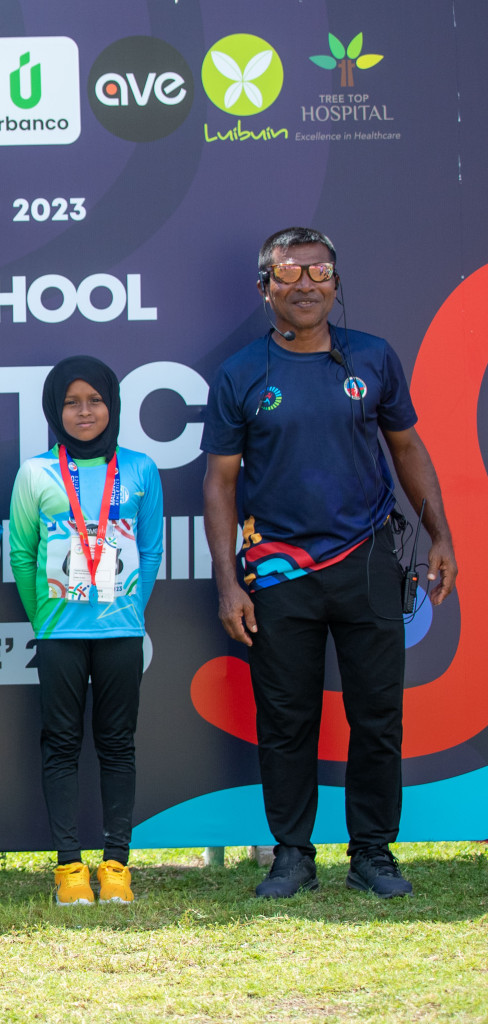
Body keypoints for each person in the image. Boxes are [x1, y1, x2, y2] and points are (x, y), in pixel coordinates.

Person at [202, 226, 456, 899]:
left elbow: (407, 449)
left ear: (337, 285)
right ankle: (292, 855)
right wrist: (229, 582)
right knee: (287, 720)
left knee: (378, 715)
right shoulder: (240, 374)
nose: (306, 284)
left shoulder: (371, 359)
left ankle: (373, 853)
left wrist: (440, 533)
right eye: (289, 272)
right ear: (265, 289)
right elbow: (220, 483)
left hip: (369, 558)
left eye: (319, 272)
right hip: (279, 571)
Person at [9, 357, 163, 905]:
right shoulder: (36, 473)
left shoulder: (141, 469)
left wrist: (129, 609)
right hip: (59, 635)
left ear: (112, 406)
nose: (84, 411)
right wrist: (43, 620)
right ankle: (69, 868)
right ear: (56, 409)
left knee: (118, 745)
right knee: (61, 747)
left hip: (121, 633)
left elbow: (150, 550)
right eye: (72, 402)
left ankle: (116, 865)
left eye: (95, 400)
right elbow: (22, 554)